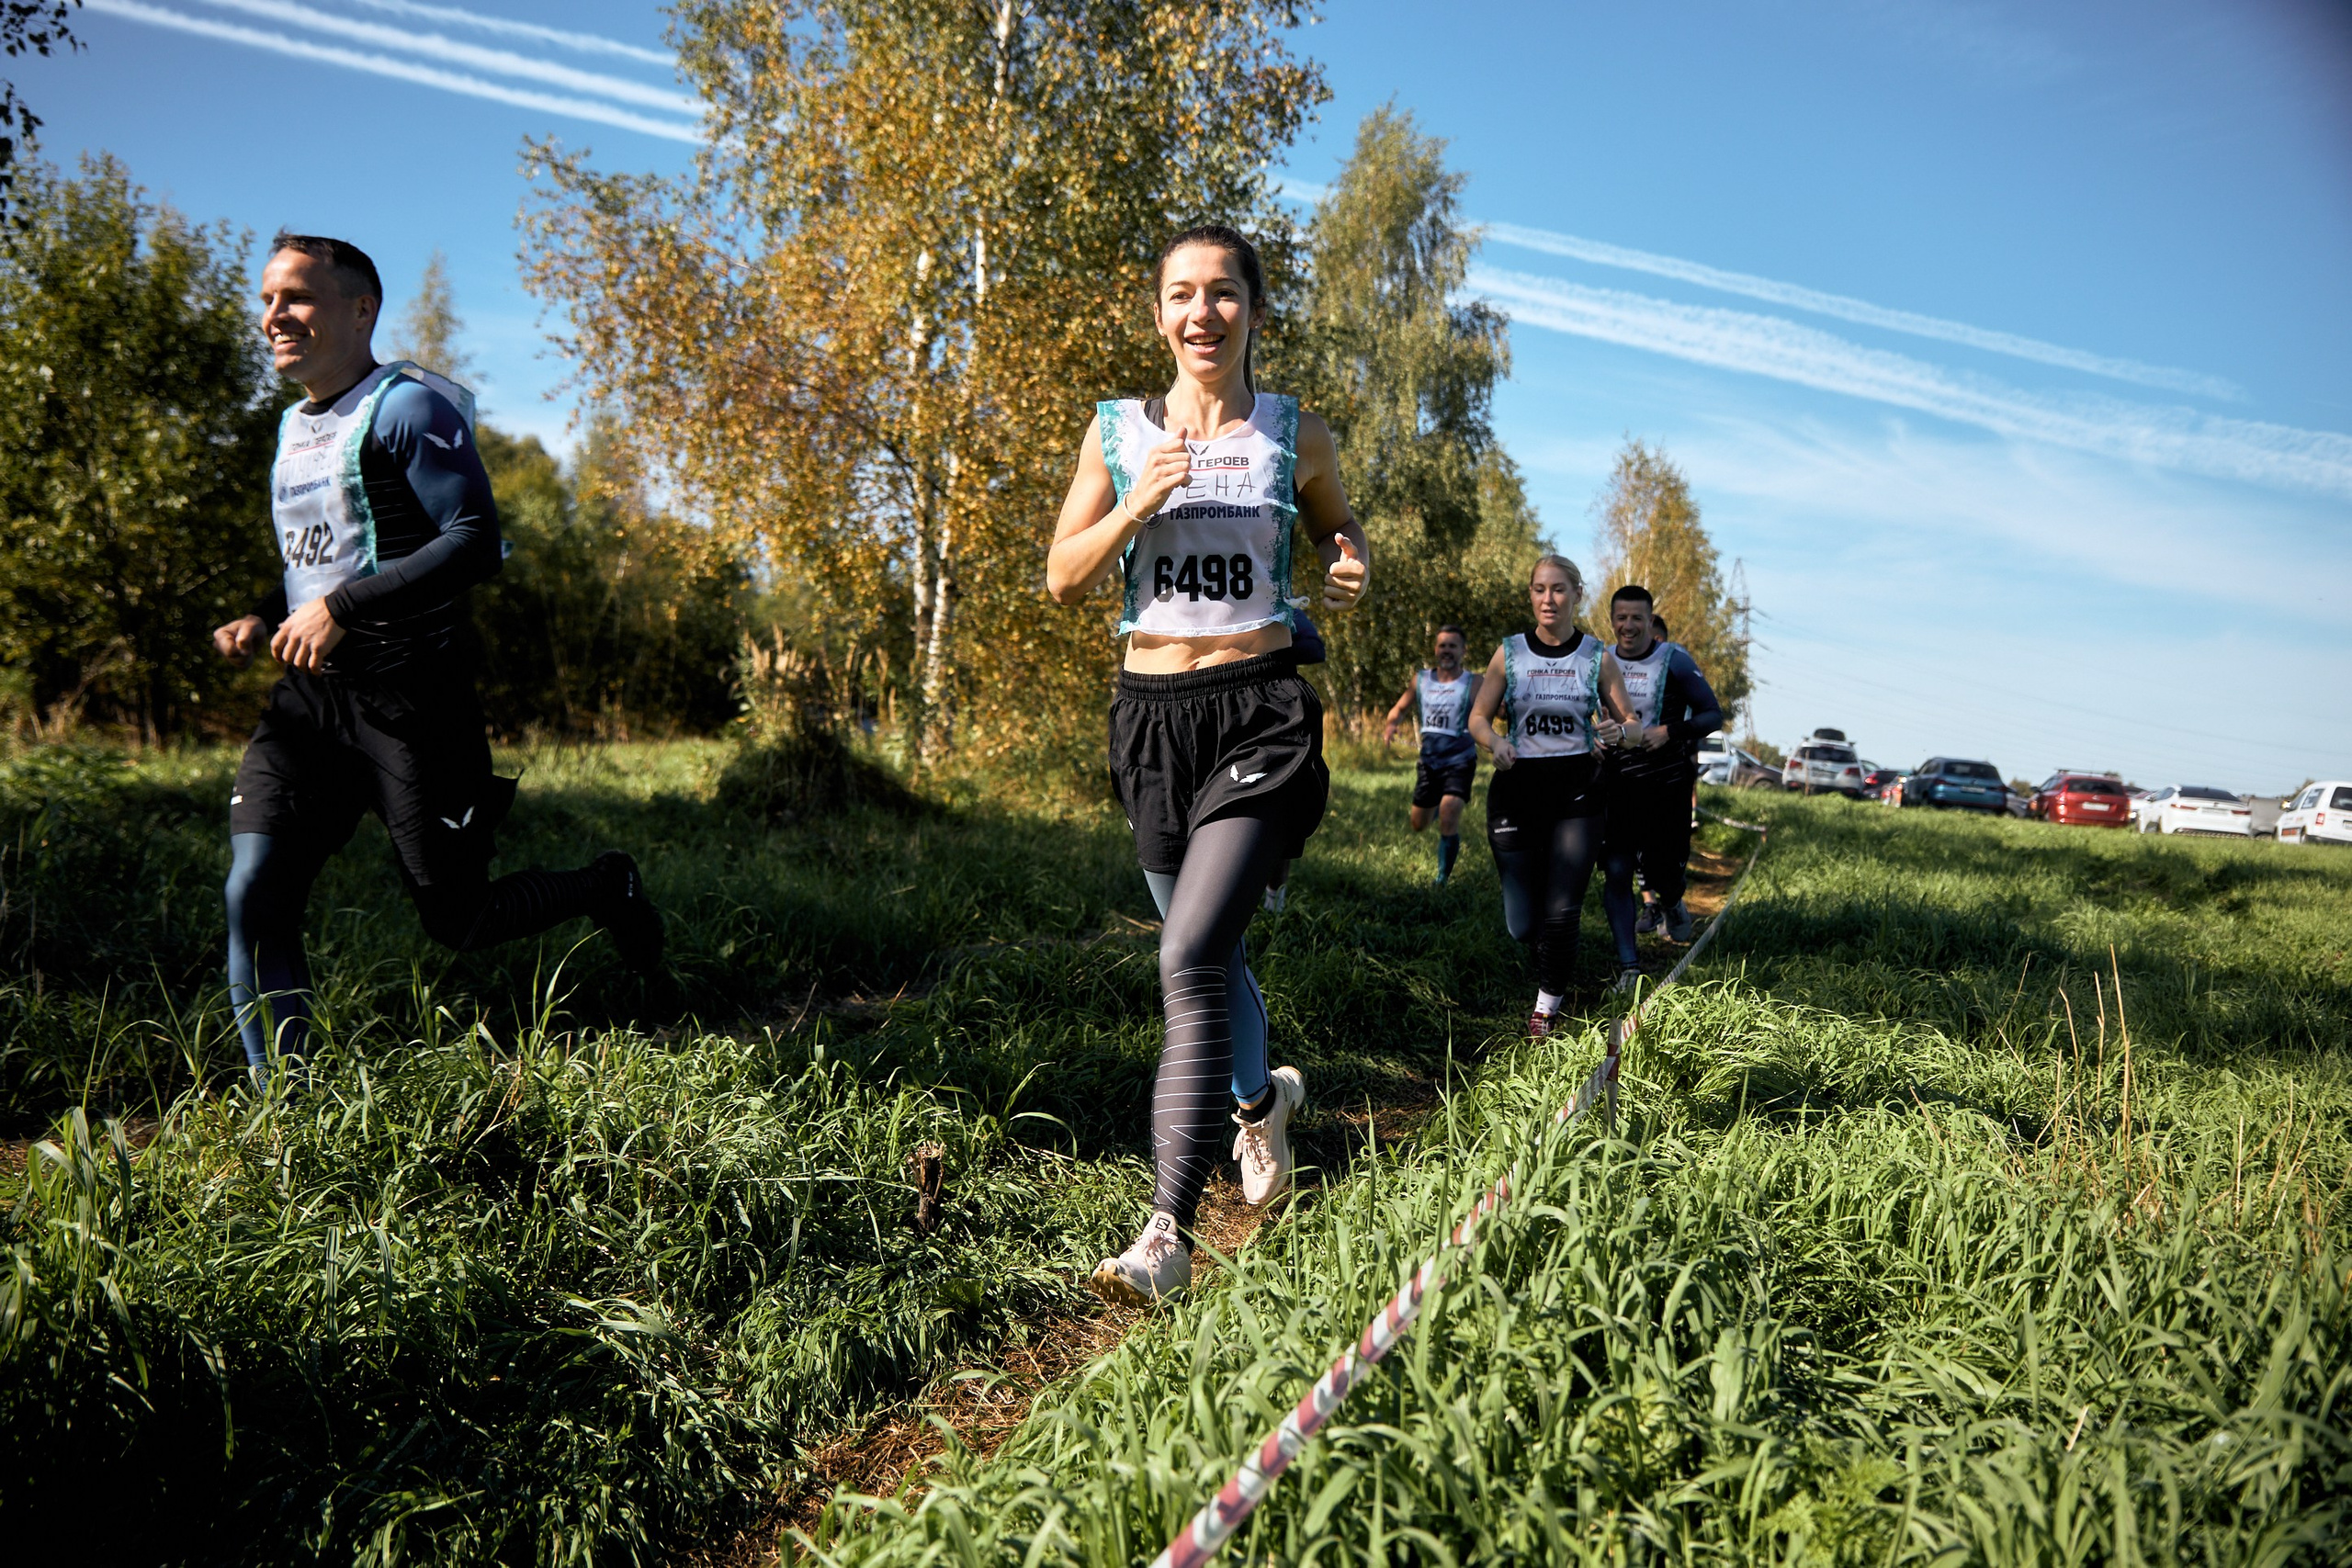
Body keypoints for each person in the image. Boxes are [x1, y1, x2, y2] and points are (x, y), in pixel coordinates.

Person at [212, 233, 662, 1085]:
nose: (275, 315)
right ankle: (292, 1117)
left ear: (359, 310)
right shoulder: (292, 428)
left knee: (460, 917)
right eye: (268, 299)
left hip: (416, 704)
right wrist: (265, 615)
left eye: (297, 298)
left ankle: (607, 885)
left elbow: (476, 543)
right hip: (311, 705)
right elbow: (330, 562)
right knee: (255, 891)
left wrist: (340, 609)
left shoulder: (410, 409)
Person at [1046, 224, 1369, 1304]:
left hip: (1260, 713)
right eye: (1181, 295)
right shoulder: (1113, 433)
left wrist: (1347, 557)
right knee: (1212, 961)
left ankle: (1164, 1234)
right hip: (1150, 719)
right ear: (1157, 314)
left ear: (1254, 311)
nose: (1202, 314)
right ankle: (1258, 1104)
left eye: (1223, 294)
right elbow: (1062, 576)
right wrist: (1136, 502)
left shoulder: (1297, 432)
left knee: (1186, 956)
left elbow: (1335, 527)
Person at [1466, 556, 1631, 1035]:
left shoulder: (1598, 657)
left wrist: (1617, 733)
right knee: (1523, 924)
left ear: (1578, 594)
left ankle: (1546, 1007)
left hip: (1578, 791)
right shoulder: (1509, 653)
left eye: (1558, 590)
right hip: (1517, 790)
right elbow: (1478, 717)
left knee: (1563, 908)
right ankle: (1551, 958)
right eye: (1539, 589)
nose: (1548, 599)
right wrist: (1495, 742)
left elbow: (1633, 725)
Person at [1596, 588, 1723, 977]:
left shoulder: (1675, 661)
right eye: (1621, 618)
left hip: (1666, 785)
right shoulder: (1598, 660)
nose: (1628, 626)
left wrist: (1669, 731)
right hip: (1617, 783)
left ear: (1651, 622)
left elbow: (1712, 715)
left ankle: (1672, 901)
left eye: (1637, 618)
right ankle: (1629, 966)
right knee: (1617, 870)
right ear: (1612, 620)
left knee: (1662, 872)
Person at [1381, 625, 1477, 884]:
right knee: (1418, 823)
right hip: (1429, 761)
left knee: (1449, 814)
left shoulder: (1474, 682)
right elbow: (1400, 707)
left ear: (1463, 651)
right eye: (1442, 645)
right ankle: (1432, 809)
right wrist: (1392, 724)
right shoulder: (1421, 679)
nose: (1446, 651)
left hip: (1461, 759)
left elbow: (1492, 710)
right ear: (1436, 649)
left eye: (1452, 646)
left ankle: (1442, 879)